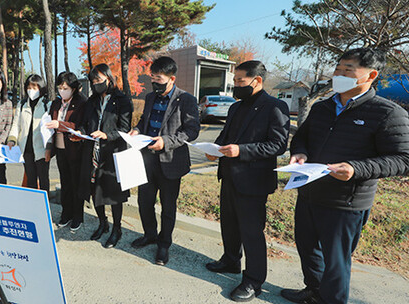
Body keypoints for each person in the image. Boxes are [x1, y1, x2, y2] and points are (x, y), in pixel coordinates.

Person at [282, 48, 409, 304]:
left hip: (346, 201)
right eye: (338, 69)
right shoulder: (323, 107)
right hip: (309, 192)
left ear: (371, 75)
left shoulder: (386, 113)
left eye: (347, 70)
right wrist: (300, 153)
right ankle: (314, 291)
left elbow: (403, 159)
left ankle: (332, 300)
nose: (339, 74)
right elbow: (303, 138)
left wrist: (355, 169)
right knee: (308, 249)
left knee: (336, 261)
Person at [204, 60, 290, 302]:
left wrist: (241, 150)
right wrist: (215, 149)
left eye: (240, 82)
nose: (236, 86)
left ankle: (254, 280)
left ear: (257, 80)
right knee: (229, 224)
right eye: (235, 82)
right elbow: (224, 136)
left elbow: (278, 145)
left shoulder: (275, 106)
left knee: (251, 232)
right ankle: (231, 260)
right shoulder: (235, 107)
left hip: (253, 181)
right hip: (229, 176)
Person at [129, 56, 200, 265]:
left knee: (168, 207)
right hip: (147, 159)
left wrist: (166, 141)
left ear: (172, 78)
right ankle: (149, 234)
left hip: (170, 162)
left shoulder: (186, 100)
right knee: (144, 202)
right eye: (153, 77)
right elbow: (145, 121)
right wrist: (136, 130)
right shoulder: (150, 97)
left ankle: (164, 244)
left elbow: (192, 131)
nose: (155, 82)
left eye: (159, 78)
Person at [76, 64, 132, 246]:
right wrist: (79, 133)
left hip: (113, 153)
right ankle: (103, 223)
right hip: (92, 152)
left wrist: (107, 135)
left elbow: (125, 129)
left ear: (109, 78)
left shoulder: (122, 100)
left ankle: (117, 228)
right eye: (93, 81)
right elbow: (86, 124)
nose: (96, 84)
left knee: (114, 194)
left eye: (99, 80)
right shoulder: (92, 101)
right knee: (94, 189)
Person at [46, 72, 87, 231]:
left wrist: (60, 125)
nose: (62, 90)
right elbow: (51, 122)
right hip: (60, 148)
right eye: (60, 87)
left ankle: (78, 216)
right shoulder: (56, 103)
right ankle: (66, 213)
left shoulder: (82, 102)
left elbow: (79, 125)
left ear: (74, 88)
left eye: (66, 88)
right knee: (65, 183)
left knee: (76, 184)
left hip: (75, 149)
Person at [8, 74, 51, 192]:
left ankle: (44, 204)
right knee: (30, 180)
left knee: (43, 180)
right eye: (29, 87)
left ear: (41, 89)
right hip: (26, 149)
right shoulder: (22, 105)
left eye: (35, 88)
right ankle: (33, 204)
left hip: (41, 149)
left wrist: (49, 147)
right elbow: (16, 125)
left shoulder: (47, 105)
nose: (31, 91)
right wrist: (12, 139)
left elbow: (50, 130)